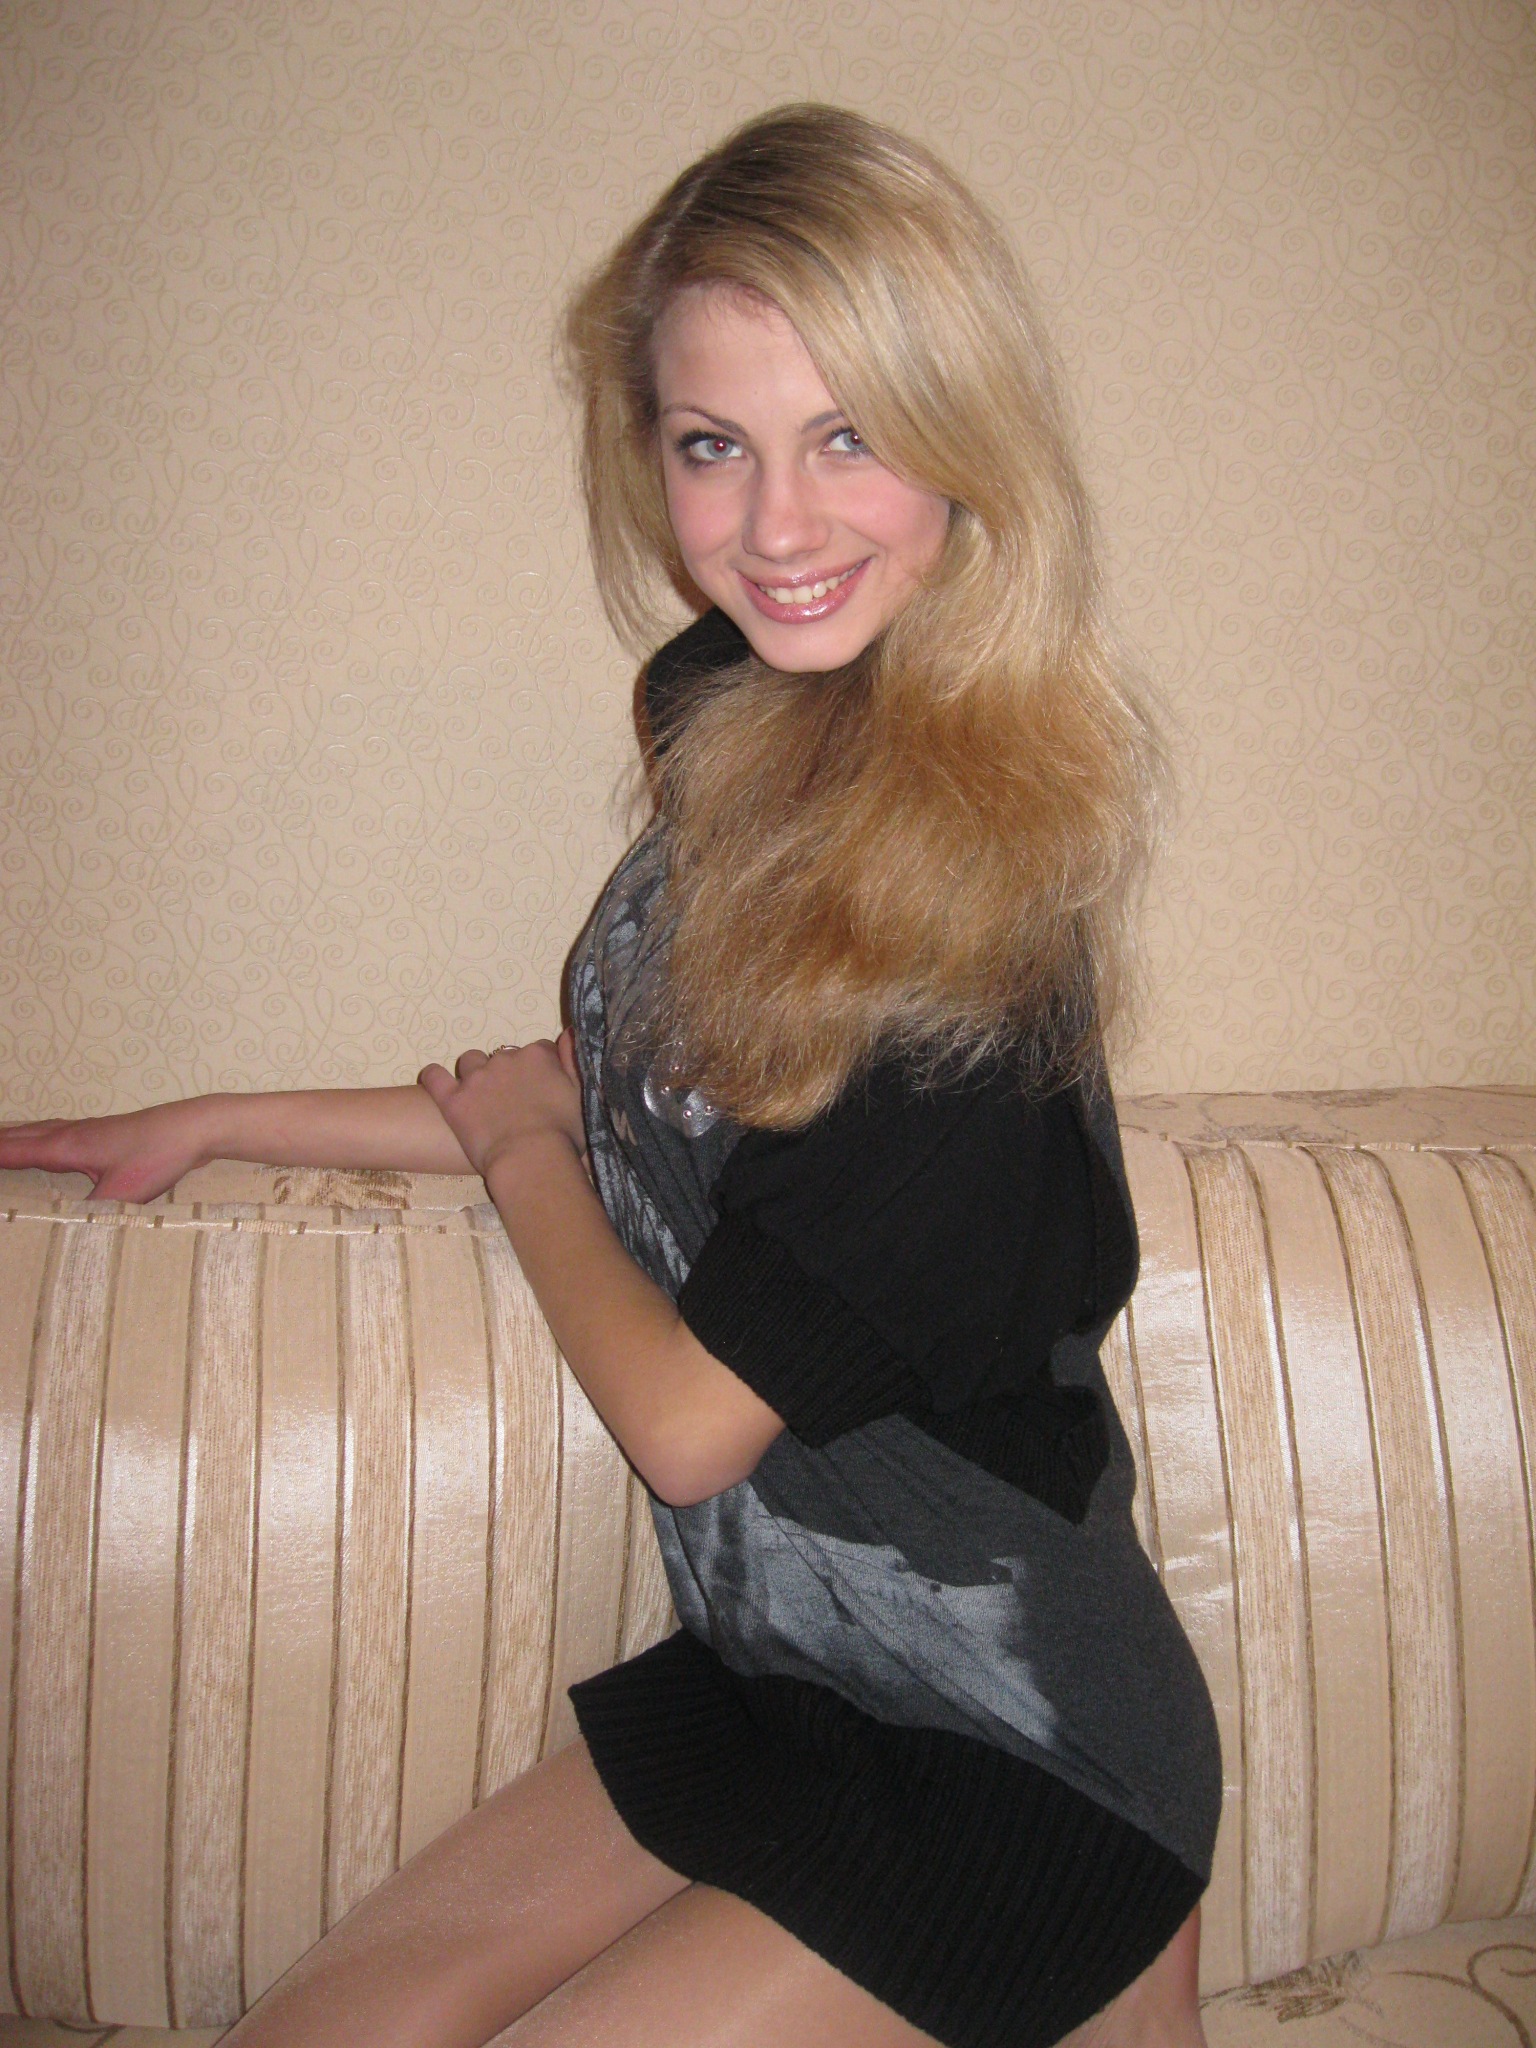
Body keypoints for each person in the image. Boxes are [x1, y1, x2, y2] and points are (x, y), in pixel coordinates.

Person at [0, 105, 1220, 2048]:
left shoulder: (980, 948)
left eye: (851, 435)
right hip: (783, 1677)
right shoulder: (730, 702)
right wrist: (218, 1118)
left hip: (1025, 1757)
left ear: (969, 442)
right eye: (713, 444)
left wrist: (515, 1154)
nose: (777, 527)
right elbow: (647, 1098)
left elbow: (687, 1422)